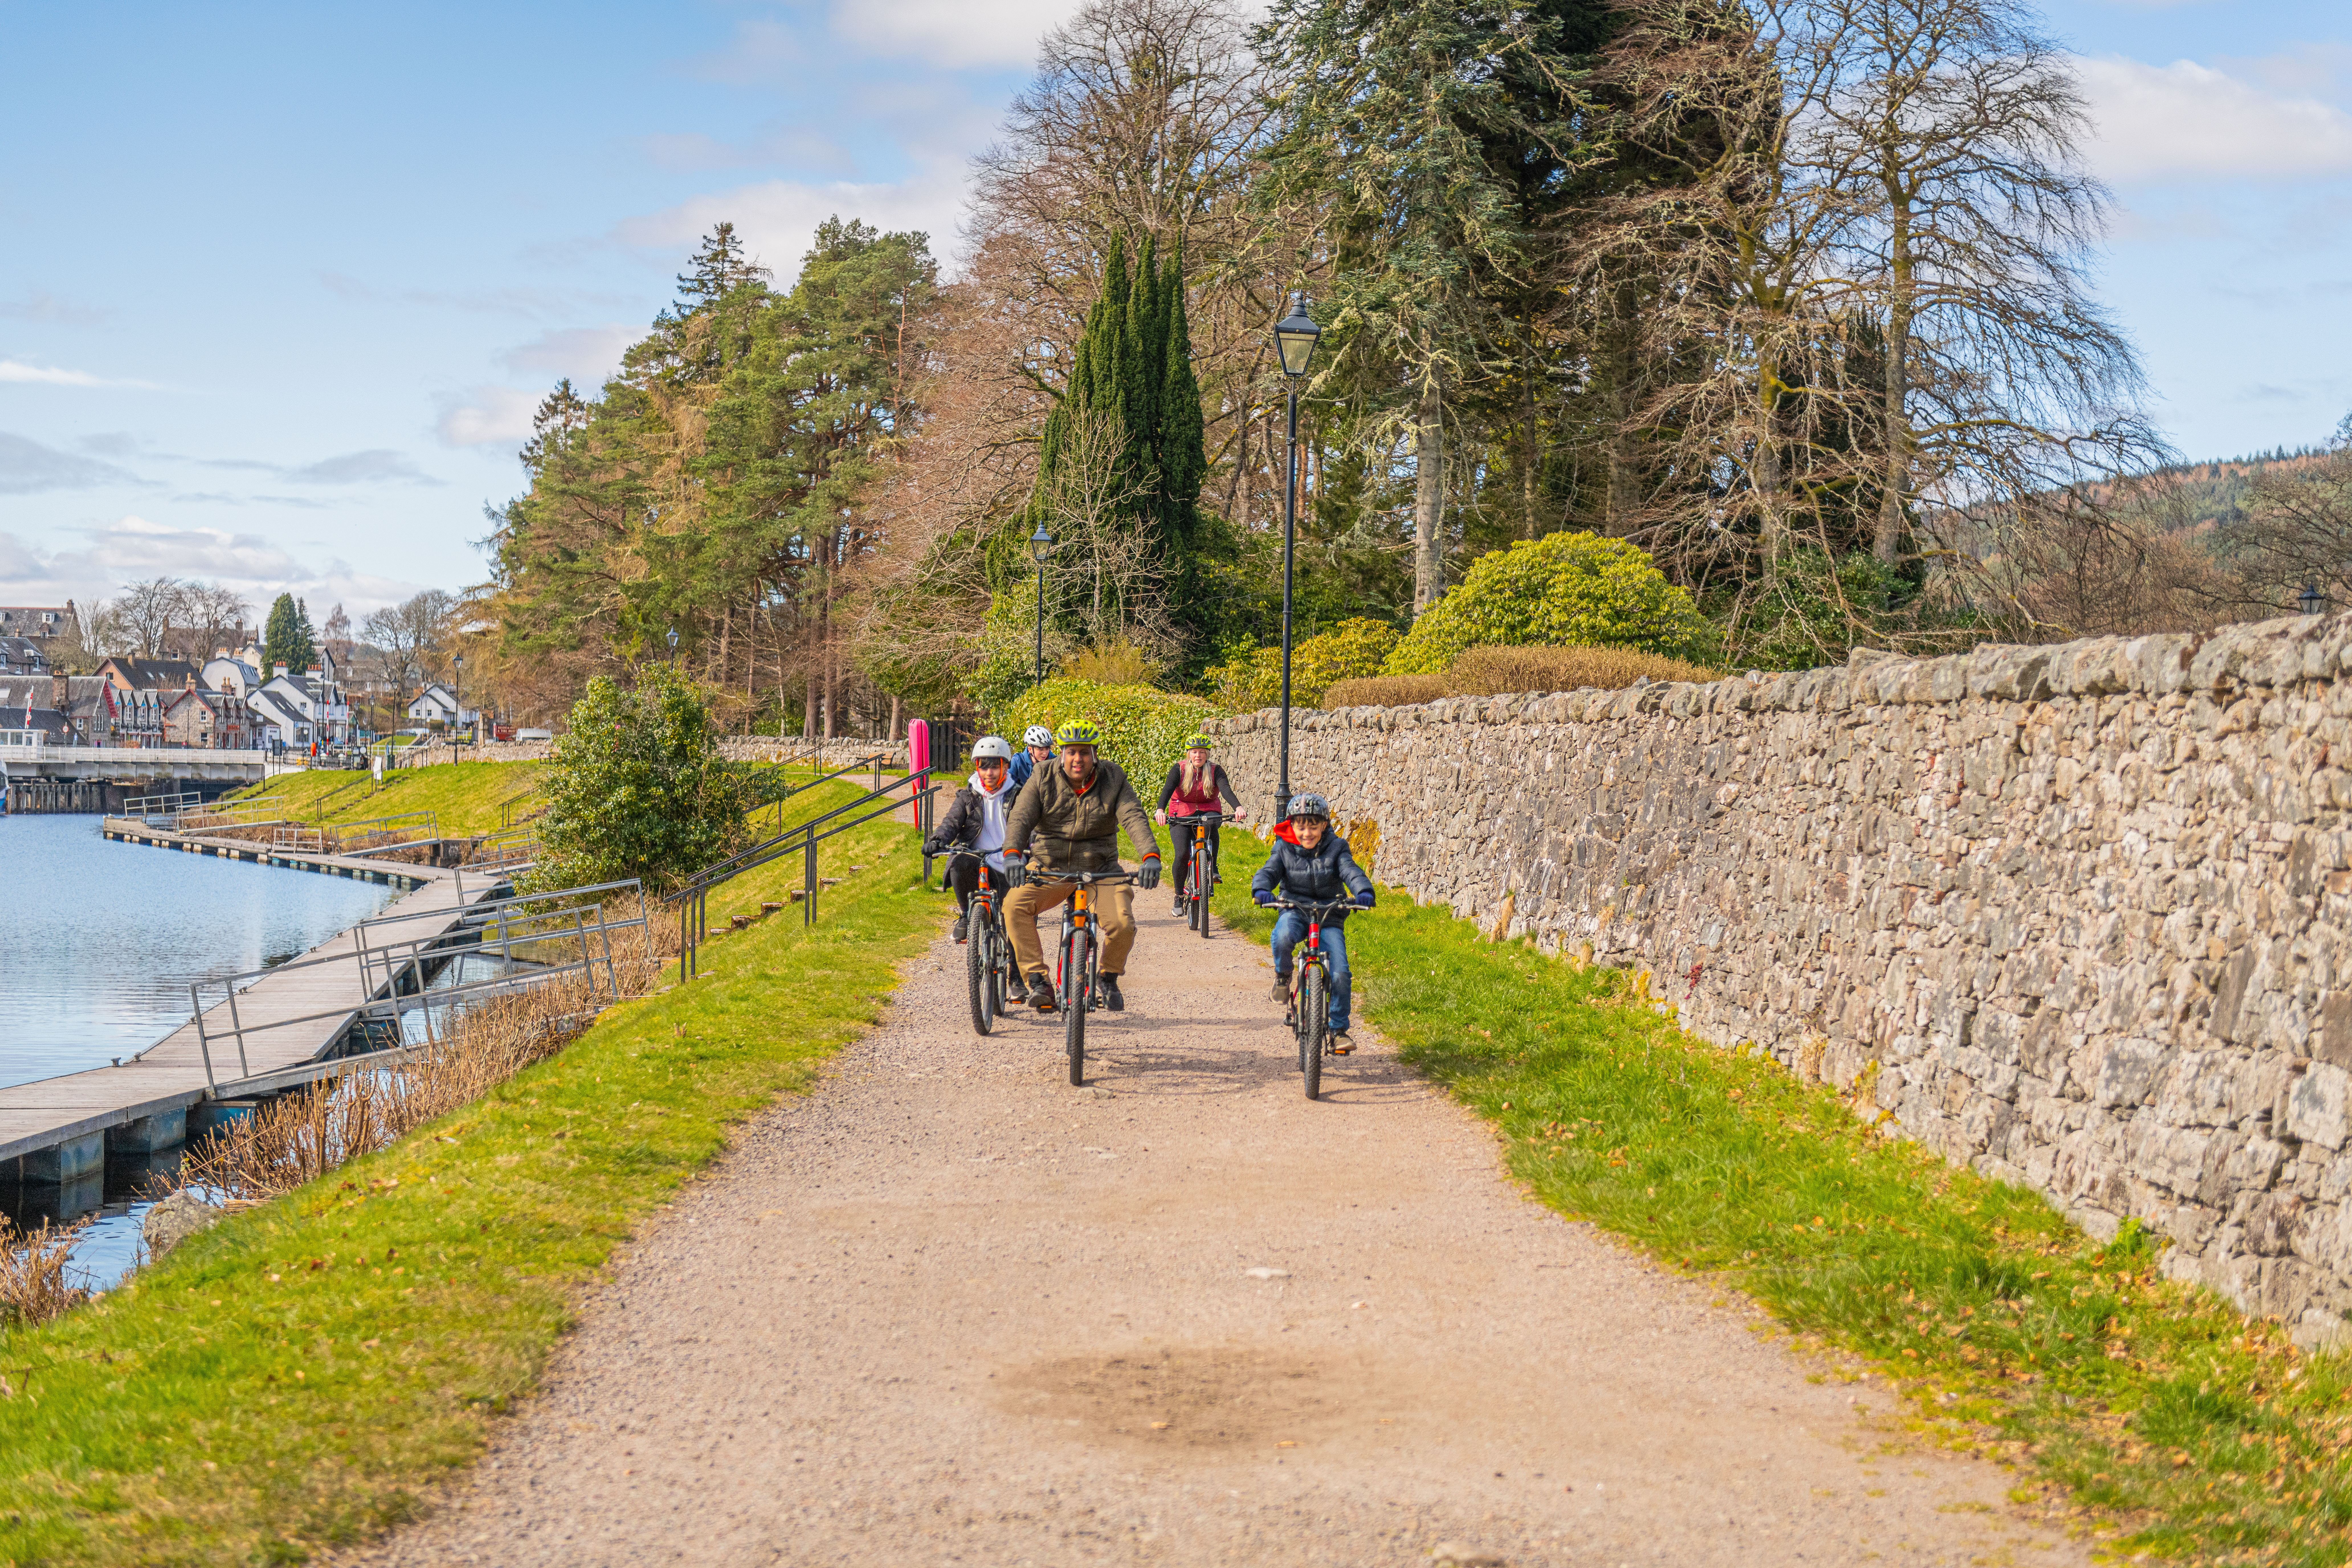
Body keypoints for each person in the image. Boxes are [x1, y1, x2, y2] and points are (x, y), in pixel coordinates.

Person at [1000, 720, 1162, 1013]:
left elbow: (1133, 816)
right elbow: (1021, 816)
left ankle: (1108, 977)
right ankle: (1038, 980)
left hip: (1101, 867)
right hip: (1051, 866)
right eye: (1072, 752)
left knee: (1123, 924)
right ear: (1061, 753)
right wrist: (1012, 854)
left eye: (1085, 752)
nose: (1078, 759)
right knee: (1013, 906)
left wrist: (1150, 856)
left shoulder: (1113, 777)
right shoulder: (1042, 775)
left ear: (1095, 754)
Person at [1251, 792, 1375, 1054]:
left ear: (1325, 826)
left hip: (1330, 913)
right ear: (1292, 826)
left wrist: (1363, 892)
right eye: (1301, 826)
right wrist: (1262, 890)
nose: (1307, 833)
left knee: (1341, 973)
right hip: (1294, 908)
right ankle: (1284, 976)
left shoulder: (1338, 847)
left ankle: (1338, 1029)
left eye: (1313, 826)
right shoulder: (1283, 847)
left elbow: (1351, 871)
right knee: (1283, 937)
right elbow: (1270, 871)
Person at [924, 736, 1019, 944]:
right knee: (958, 863)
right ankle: (968, 914)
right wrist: (938, 840)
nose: (989, 773)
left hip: (1010, 864)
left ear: (1005, 767)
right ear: (977, 768)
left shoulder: (1018, 795)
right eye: (983, 767)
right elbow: (952, 821)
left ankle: (1015, 975)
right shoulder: (968, 796)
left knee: (1015, 929)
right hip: (977, 860)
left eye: (995, 767)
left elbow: (1029, 826)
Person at [1153, 734, 1247, 917]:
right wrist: (1160, 810)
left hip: (1208, 808)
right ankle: (1179, 897)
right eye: (1195, 752)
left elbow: (1226, 789)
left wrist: (1238, 807)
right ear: (1189, 753)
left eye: (1202, 752)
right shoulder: (1179, 769)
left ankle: (1214, 867)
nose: (1198, 756)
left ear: (1207, 754)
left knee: (1211, 823)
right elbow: (1167, 789)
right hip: (1181, 810)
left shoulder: (1215, 770)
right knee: (1182, 854)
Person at [1009, 725, 1054, 791]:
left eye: (1047, 748)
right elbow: (1007, 783)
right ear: (1030, 750)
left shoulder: (1053, 761)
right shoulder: (1018, 761)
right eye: (1040, 749)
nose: (1045, 753)